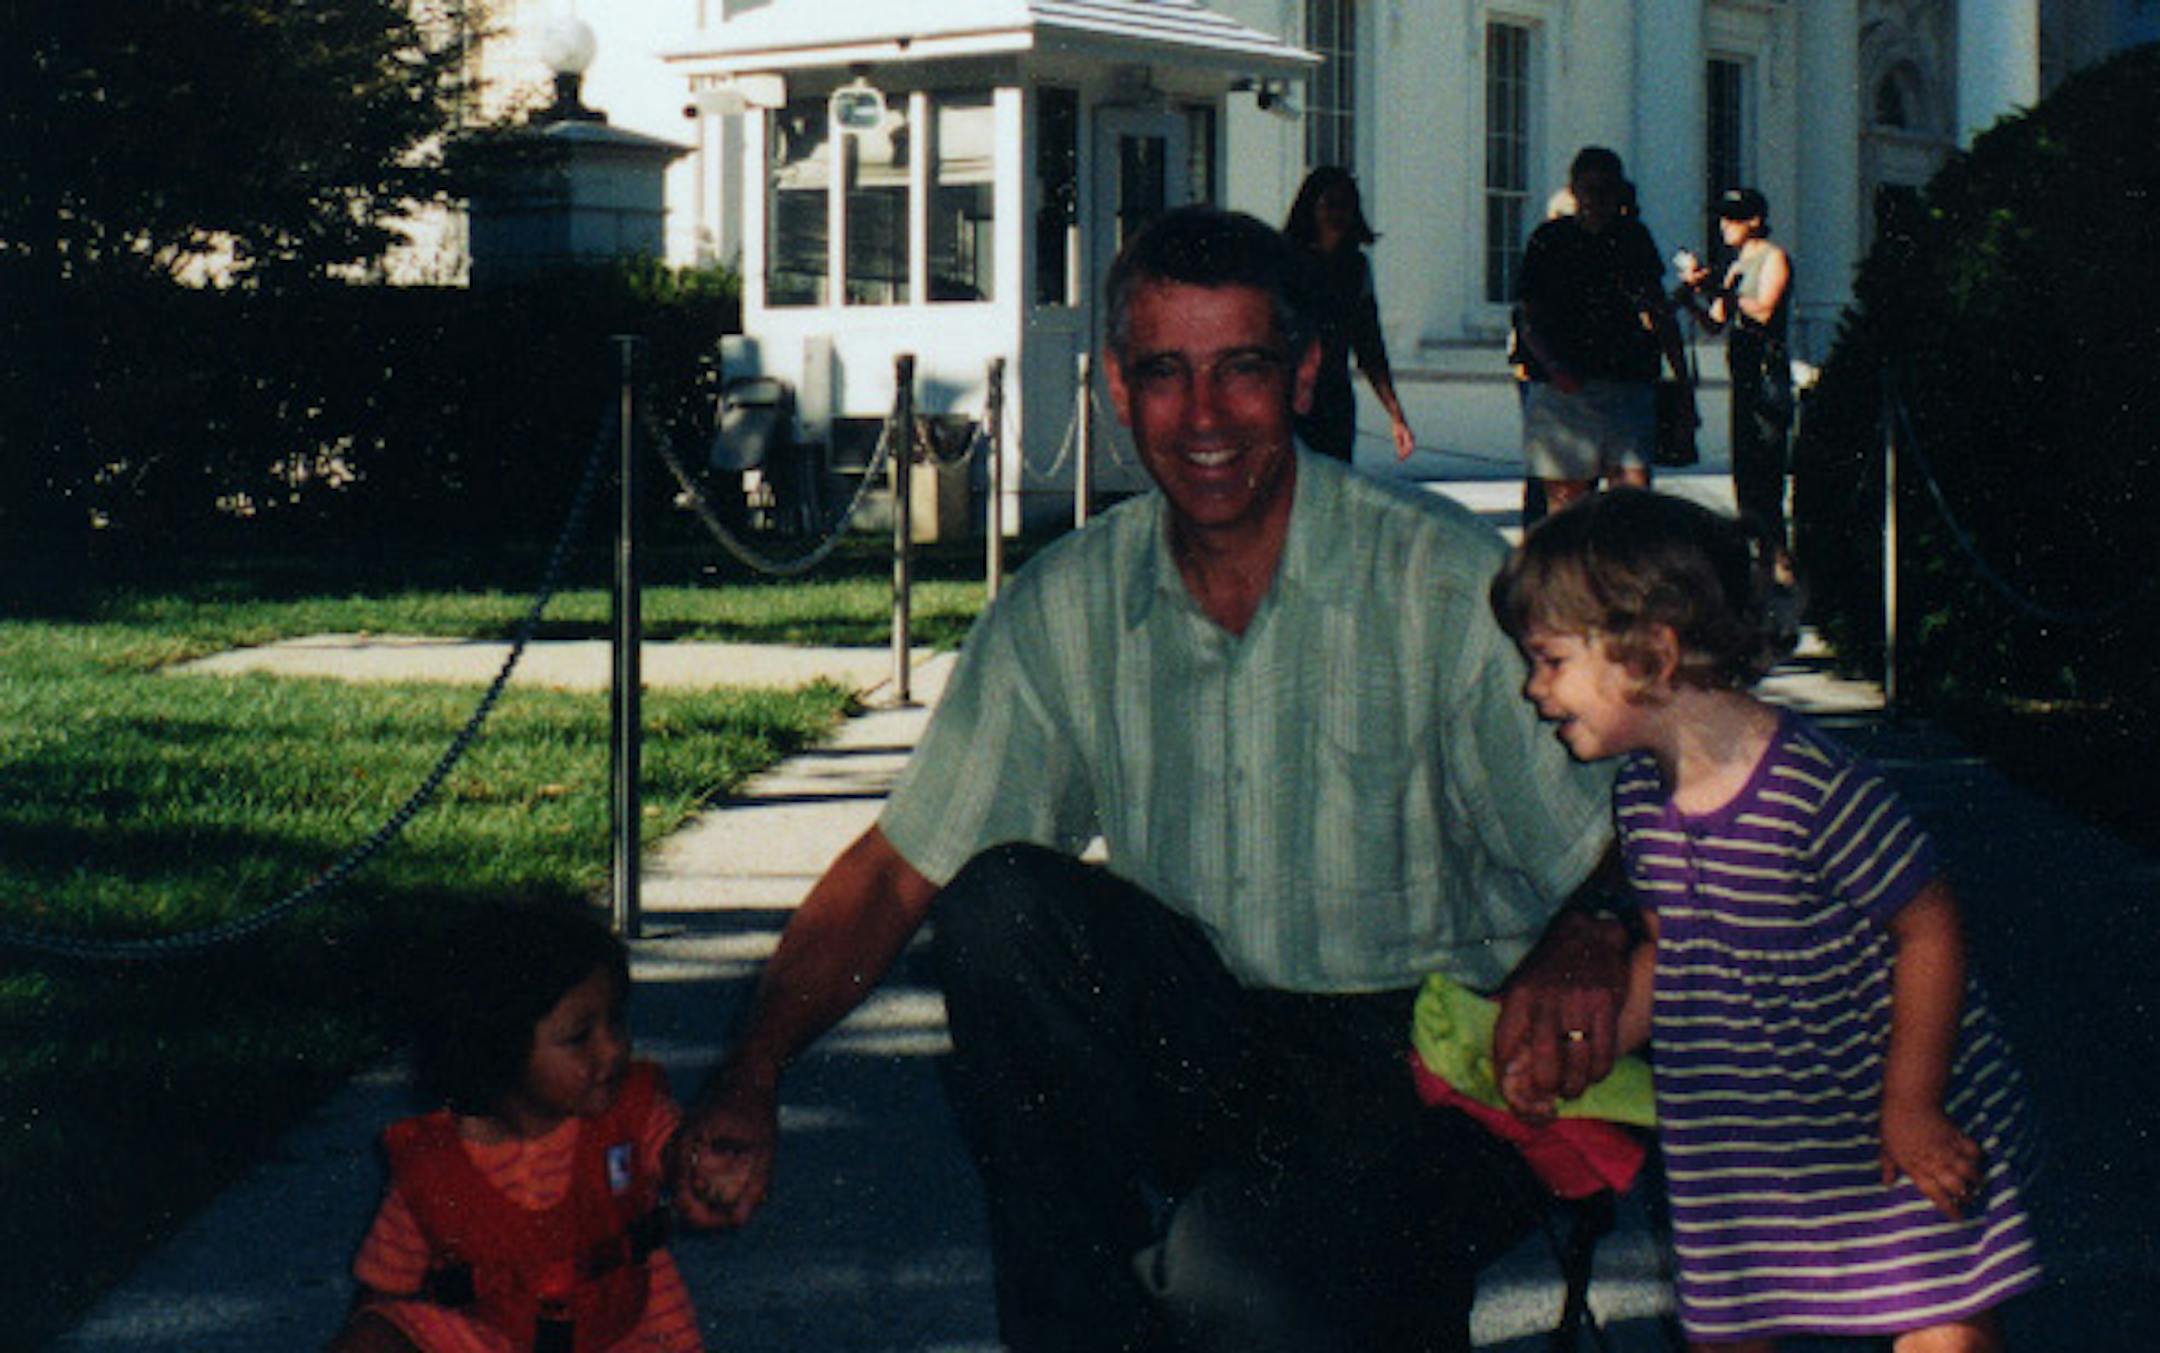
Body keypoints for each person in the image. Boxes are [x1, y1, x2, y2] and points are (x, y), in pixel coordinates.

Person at [673, 205, 1630, 1353]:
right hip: (1215, 1043)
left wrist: (1600, 927)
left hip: (1429, 1063)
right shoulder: (1069, 601)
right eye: (1166, 375)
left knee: (1239, 1282)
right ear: (1118, 391)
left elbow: (1623, 830)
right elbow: (899, 870)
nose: (1206, 417)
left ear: (1306, 374)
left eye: (1244, 371)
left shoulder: (1441, 582)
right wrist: (753, 1071)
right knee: (1003, 908)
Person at [1490, 489, 2045, 1352]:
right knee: (1733, 1324)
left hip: (1887, 1106)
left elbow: (1930, 928)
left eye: (1551, 659)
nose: (1534, 688)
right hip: (1752, 1131)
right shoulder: (1641, 796)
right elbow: (1676, 954)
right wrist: (1575, 1059)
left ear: (1652, 655)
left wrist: (1912, 1104)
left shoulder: (1816, 791)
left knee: (1943, 1325)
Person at [329, 901, 702, 1353]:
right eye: (579, 1037)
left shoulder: (632, 1115)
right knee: (372, 1337)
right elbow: (383, 1291)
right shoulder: (434, 1169)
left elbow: (679, 1151)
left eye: (615, 1021)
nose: (613, 1049)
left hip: (626, 1333)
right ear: (496, 1052)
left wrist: (706, 1164)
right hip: (496, 1340)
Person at [1514, 148, 1694, 516]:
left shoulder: (1633, 238)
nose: (1598, 200)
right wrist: (1554, 367)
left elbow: (1658, 311)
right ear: (1574, 191)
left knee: (1632, 504)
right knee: (1568, 511)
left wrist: (1681, 382)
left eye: (1607, 190)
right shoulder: (1549, 239)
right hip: (1565, 391)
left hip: (1626, 384)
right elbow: (1527, 316)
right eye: (1590, 190)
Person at [1675, 187, 1796, 552]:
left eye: (1733, 218)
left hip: (1767, 378)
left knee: (1767, 477)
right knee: (1745, 478)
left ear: (1754, 221)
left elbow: (1763, 311)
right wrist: (1691, 300)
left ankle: (1778, 560)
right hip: (1742, 381)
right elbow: (1716, 324)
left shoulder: (1774, 258)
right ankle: (1757, 559)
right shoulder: (1735, 267)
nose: (1724, 226)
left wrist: (1718, 289)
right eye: (1722, 218)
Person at [1281, 166, 1417, 464]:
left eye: (1347, 206)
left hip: (1333, 398)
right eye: (1330, 204)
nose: (1339, 214)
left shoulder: (1356, 270)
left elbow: (1370, 346)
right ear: (1311, 207)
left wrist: (1396, 415)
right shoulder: (1284, 262)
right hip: (1284, 397)